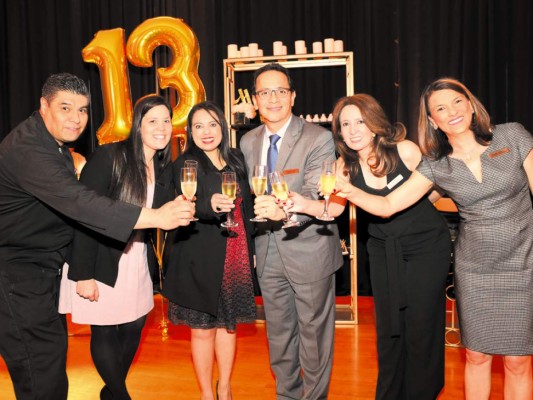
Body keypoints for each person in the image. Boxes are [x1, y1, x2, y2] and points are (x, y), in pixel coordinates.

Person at [331, 78, 533, 399]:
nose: (451, 112)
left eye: (456, 101)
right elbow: (387, 205)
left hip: (525, 264)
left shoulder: (513, 135)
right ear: (432, 120)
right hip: (475, 268)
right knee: (477, 356)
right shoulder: (436, 165)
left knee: (519, 361)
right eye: (440, 108)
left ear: (470, 103)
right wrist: (348, 189)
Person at [0, 73, 194, 400]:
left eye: (83, 110)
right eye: (65, 108)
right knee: (41, 372)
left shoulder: (56, 146)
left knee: (48, 365)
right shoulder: (31, 150)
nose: (76, 119)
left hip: (41, 272)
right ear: (43, 106)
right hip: (17, 274)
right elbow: (84, 207)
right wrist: (157, 218)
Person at [288, 94, 452, 399]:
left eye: (360, 121)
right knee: (389, 331)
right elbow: (333, 211)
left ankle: (422, 393)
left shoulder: (405, 151)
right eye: (345, 124)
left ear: (375, 122)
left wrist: (412, 210)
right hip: (381, 249)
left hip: (426, 248)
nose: (352, 130)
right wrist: (302, 204)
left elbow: (424, 194)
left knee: (420, 328)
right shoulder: (343, 167)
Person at [58, 94, 176, 399]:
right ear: (138, 125)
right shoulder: (110, 157)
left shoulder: (160, 167)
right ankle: (120, 395)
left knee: (135, 323)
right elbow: (83, 215)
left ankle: (111, 392)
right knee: (105, 329)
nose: (161, 127)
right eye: (153, 120)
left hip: (136, 257)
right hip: (99, 257)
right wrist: (82, 274)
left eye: (166, 120)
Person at [239, 63, 344, 400]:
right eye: (264, 92)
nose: (273, 98)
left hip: (309, 250)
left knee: (314, 342)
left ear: (293, 96)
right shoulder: (247, 140)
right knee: (280, 339)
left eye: (280, 91)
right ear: (254, 100)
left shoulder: (318, 138)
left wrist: (283, 210)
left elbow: (316, 194)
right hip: (267, 254)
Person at [162, 101, 256, 400]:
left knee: (228, 327)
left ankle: (225, 387)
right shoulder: (185, 164)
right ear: (190, 132)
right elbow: (186, 204)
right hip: (198, 255)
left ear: (223, 128)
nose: (206, 132)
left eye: (213, 124)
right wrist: (209, 205)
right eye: (199, 126)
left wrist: (251, 247)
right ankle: (206, 393)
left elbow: (248, 208)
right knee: (202, 330)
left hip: (235, 251)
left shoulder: (236, 160)